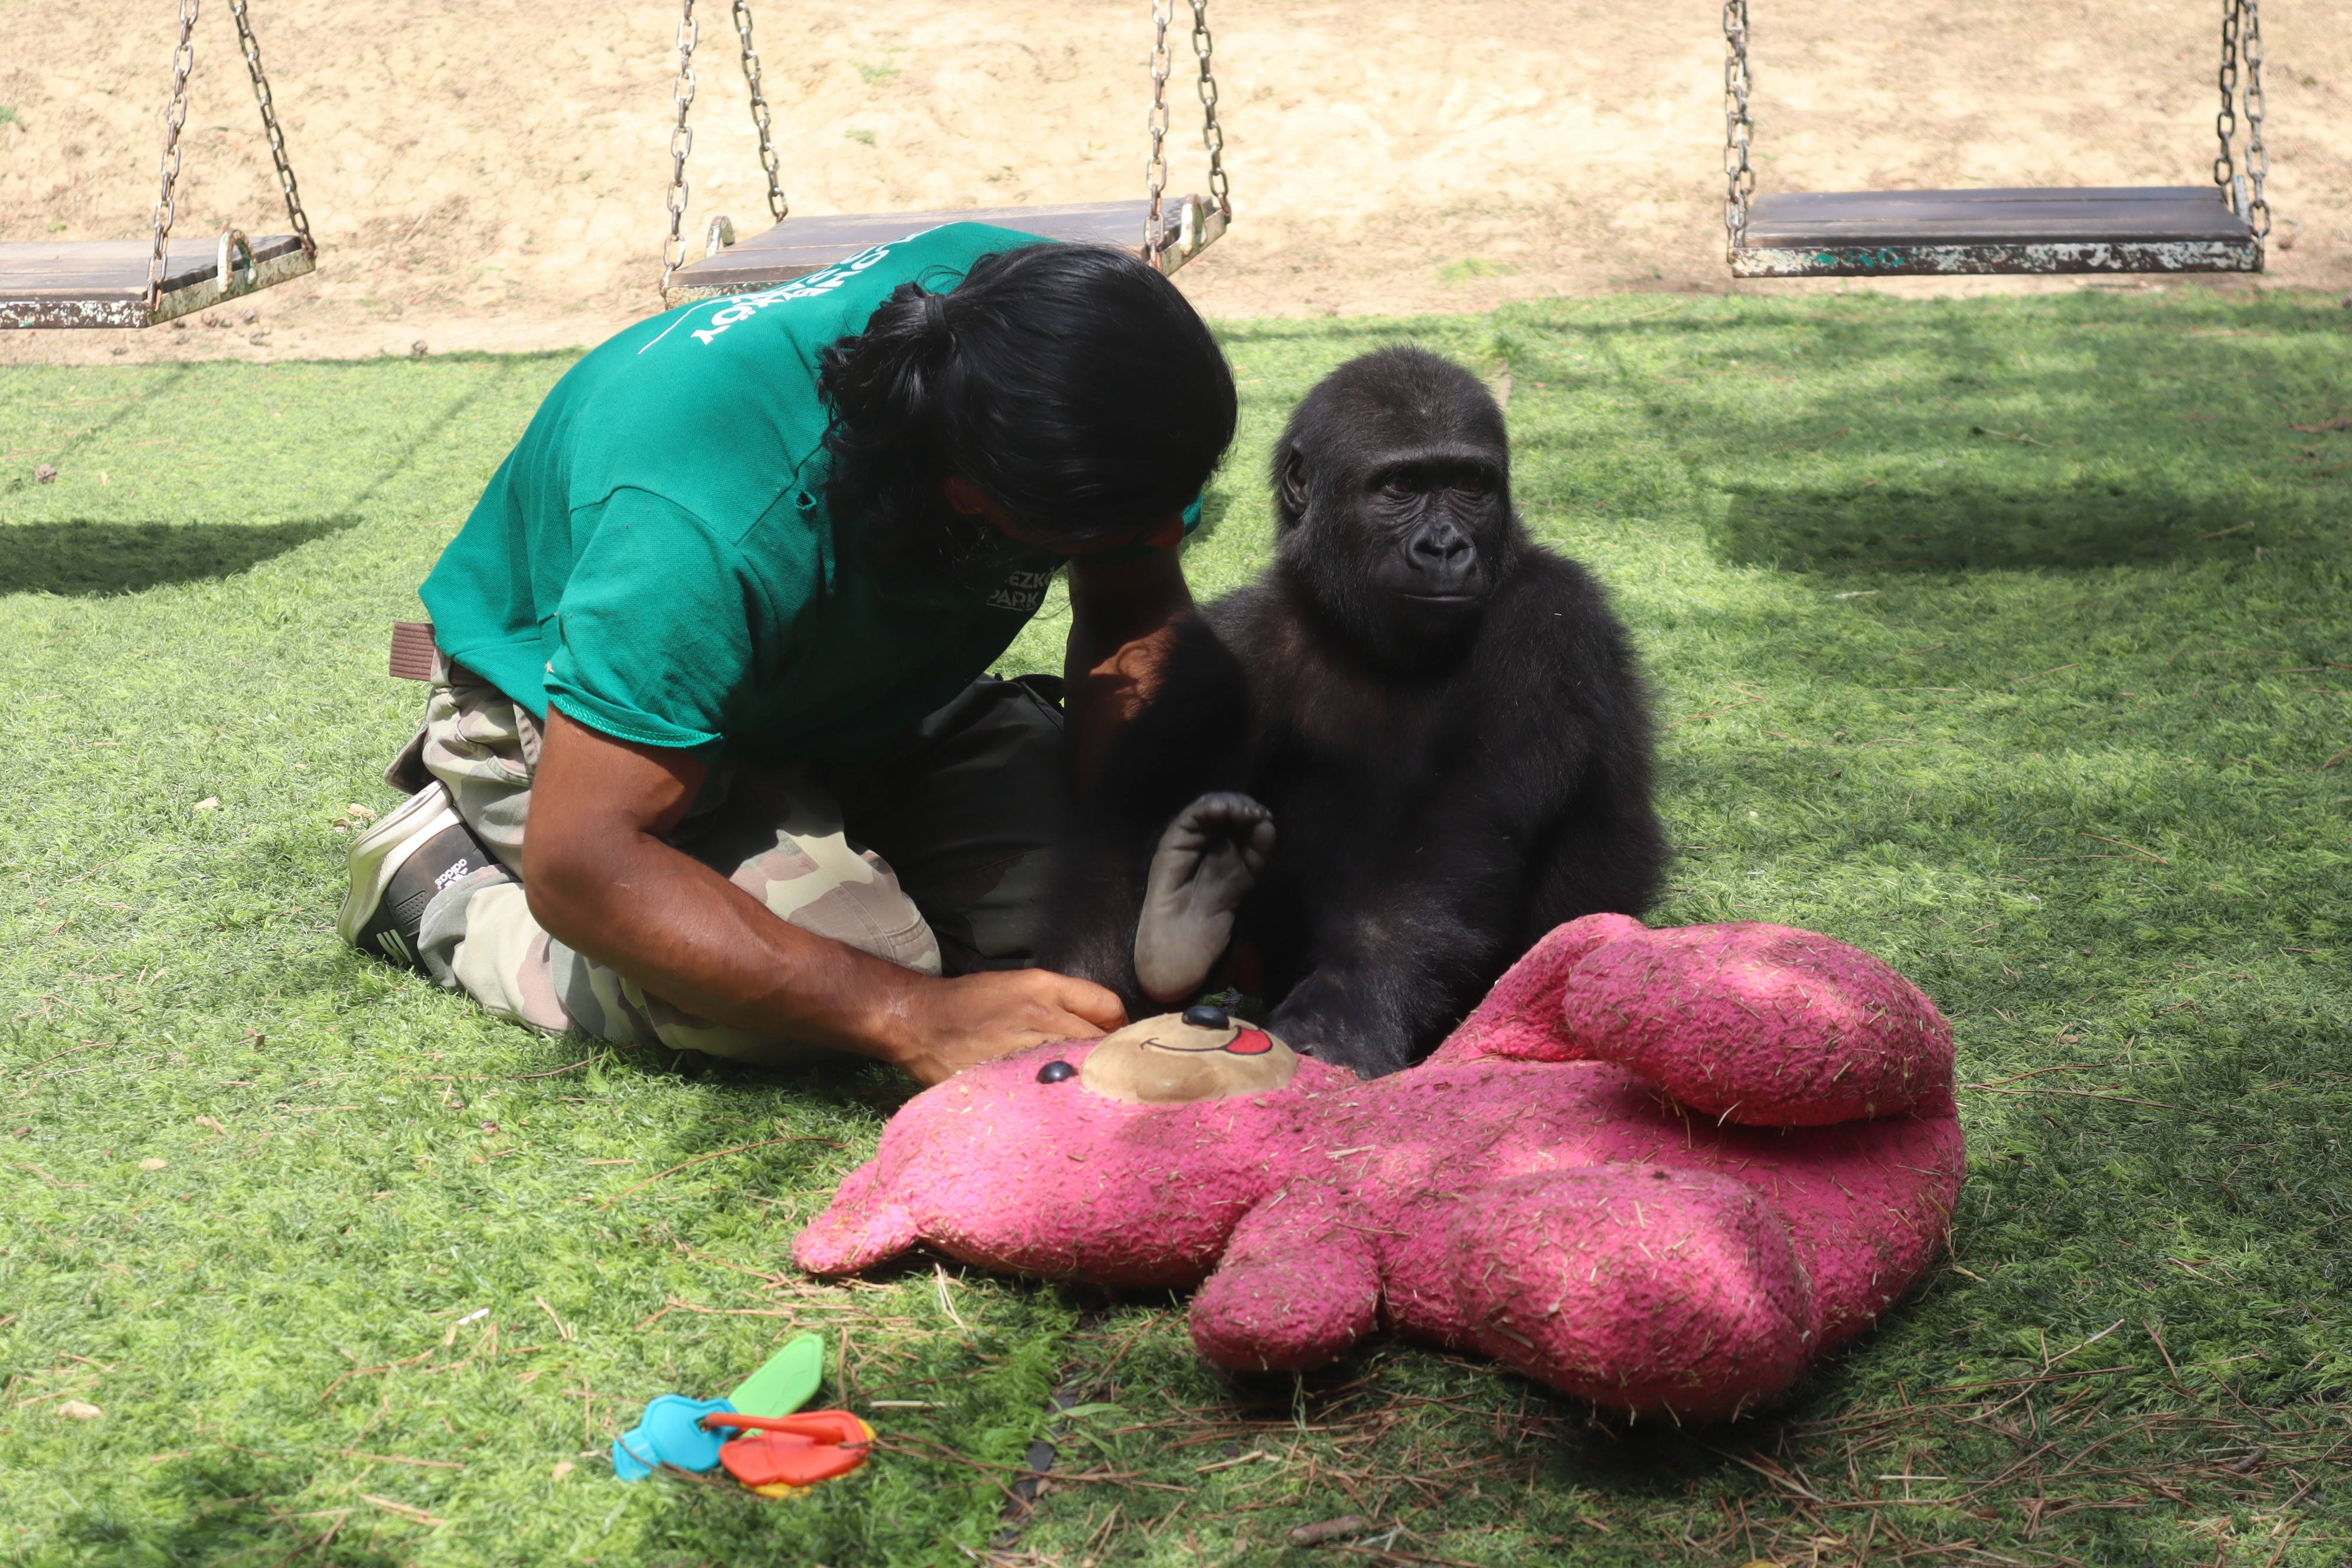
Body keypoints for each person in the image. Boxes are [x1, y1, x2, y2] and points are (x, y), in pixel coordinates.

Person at [335, 228, 1238, 1084]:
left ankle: (858, 833)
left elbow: (1133, 609)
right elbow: (587, 862)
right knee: (840, 984)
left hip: (861, 693)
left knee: (1087, 940)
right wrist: (905, 1014)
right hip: (585, 733)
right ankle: (444, 890)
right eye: (1123, 522)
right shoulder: (699, 523)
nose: (1171, 530)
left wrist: (1129, 854)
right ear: (966, 493)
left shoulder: (1055, 336)